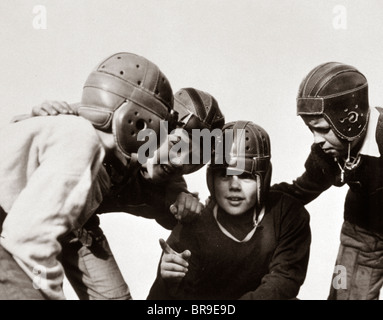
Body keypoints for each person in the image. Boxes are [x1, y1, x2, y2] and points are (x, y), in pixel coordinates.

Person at [0, 51, 178, 300]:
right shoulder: (81, 138)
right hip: (14, 232)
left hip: (43, 229)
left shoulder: (81, 133)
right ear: (137, 120)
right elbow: (27, 245)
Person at [20, 87, 225, 299]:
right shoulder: (109, 121)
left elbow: (207, 230)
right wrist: (43, 117)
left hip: (78, 230)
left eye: (191, 159)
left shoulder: (170, 189)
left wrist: (190, 211)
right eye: (175, 145)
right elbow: (20, 137)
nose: (178, 161)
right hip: (29, 216)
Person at [147, 120, 311, 300]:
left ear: (262, 179)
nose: (234, 186)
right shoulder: (191, 228)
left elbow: (284, 281)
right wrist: (168, 282)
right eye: (224, 175)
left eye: (245, 176)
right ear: (211, 179)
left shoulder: (287, 213)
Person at [272, 62, 383, 300]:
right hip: (362, 234)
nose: (317, 140)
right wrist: (258, 197)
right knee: (344, 295)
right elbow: (300, 190)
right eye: (312, 129)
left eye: (322, 129)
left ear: (350, 118)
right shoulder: (327, 152)